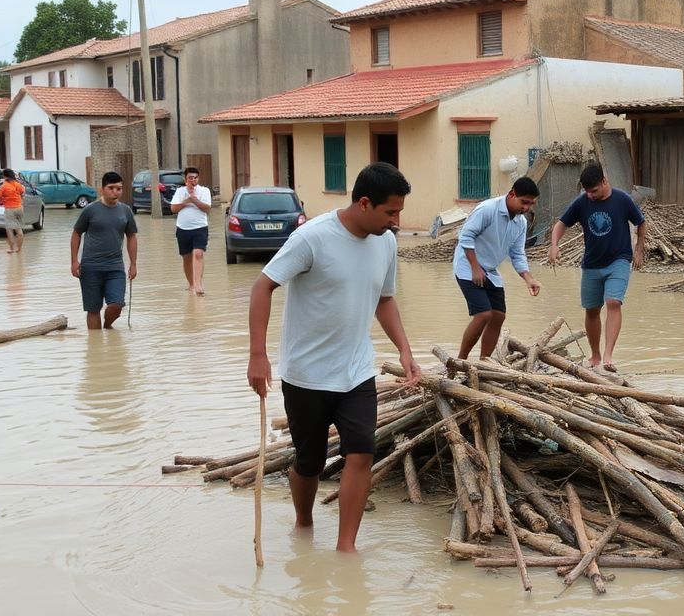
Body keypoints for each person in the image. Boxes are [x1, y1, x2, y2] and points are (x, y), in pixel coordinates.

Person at [246, 162, 422, 553]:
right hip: (306, 375)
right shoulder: (312, 238)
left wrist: (405, 350)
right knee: (308, 463)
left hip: (356, 372)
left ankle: (346, 549)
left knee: (361, 454)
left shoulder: (386, 243)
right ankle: (304, 523)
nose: (396, 220)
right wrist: (257, 355)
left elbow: (385, 300)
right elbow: (263, 286)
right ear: (364, 203)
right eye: (390, 212)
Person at [548, 162, 647, 372]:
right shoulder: (582, 202)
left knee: (613, 302)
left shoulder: (622, 200)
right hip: (592, 264)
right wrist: (554, 245)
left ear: (604, 181)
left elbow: (641, 222)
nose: (590, 195)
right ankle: (595, 355)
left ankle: (609, 356)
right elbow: (561, 224)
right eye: (587, 191)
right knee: (592, 310)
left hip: (619, 260)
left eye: (593, 190)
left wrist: (639, 248)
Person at [454, 177, 543, 361]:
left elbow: (517, 254)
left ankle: (485, 361)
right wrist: (475, 267)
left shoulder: (521, 222)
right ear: (512, 195)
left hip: (490, 270)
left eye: (531, 204)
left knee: (498, 315)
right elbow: (466, 237)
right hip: (467, 266)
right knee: (483, 314)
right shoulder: (488, 209)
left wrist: (529, 278)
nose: (526, 208)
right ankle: (459, 361)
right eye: (523, 202)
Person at [70, 172, 138, 330]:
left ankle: (107, 325)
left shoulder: (126, 211)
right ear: (102, 189)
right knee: (93, 309)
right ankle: (95, 347)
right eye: (111, 188)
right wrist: (74, 261)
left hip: (115, 267)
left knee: (117, 304)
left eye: (119, 188)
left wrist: (133, 264)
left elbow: (131, 236)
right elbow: (76, 233)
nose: (115, 192)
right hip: (90, 267)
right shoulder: (90, 210)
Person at [169, 166, 212, 295]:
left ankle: (198, 284)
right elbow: (173, 209)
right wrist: (187, 201)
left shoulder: (204, 191)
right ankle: (191, 284)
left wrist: (195, 200)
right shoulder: (180, 192)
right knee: (186, 258)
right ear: (185, 179)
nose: (192, 180)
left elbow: (207, 209)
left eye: (195, 178)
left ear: (198, 179)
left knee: (198, 254)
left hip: (200, 228)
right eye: (190, 178)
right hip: (182, 228)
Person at [0, 168, 26, 254]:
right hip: (19, 208)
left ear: (5, 176)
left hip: (10, 209)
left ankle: (12, 248)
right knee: (19, 229)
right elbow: (22, 192)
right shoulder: (18, 184)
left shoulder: (4, 186)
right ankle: (19, 249)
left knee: (9, 229)